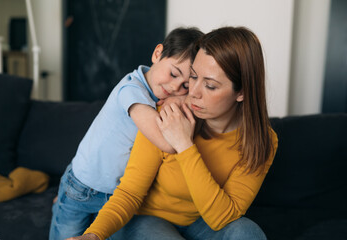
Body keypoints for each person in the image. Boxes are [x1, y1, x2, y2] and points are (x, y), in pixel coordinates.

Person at [68, 26, 278, 240]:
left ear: (241, 92)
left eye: (210, 86)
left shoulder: (262, 140)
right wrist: (93, 235)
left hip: (201, 222)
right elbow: (129, 192)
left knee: (247, 233)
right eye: (193, 77)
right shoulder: (169, 114)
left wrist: (185, 145)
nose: (192, 92)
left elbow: (222, 218)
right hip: (146, 220)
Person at [49, 27, 204, 240]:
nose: (175, 87)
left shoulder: (160, 97)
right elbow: (167, 143)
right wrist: (182, 100)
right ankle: (63, 197)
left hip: (116, 195)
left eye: (186, 85)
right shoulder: (132, 89)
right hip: (83, 187)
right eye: (174, 74)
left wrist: (181, 99)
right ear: (157, 54)